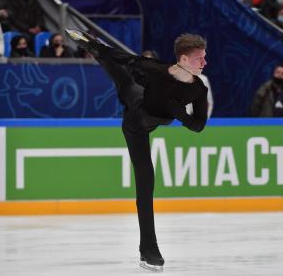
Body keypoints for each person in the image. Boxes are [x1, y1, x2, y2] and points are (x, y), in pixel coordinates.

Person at [66, 29, 208, 272]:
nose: (205, 62)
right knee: (121, 74)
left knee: (127, 84)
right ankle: (92, 44)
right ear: (183, 59)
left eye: (204, 57)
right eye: (200, 58)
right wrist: (100, 49)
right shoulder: (158, 70)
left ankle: (148, 251)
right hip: (134, 123)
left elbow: (198, 126)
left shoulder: (199, 90)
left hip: (149, 111)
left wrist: (179, 113)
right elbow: (125, 57)